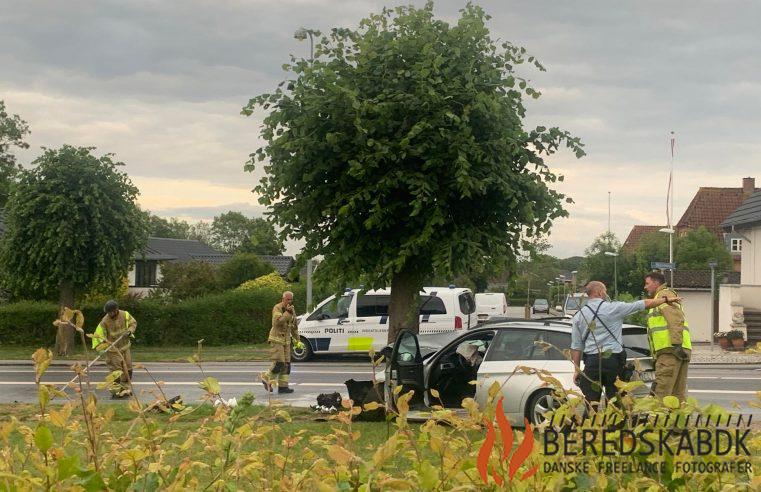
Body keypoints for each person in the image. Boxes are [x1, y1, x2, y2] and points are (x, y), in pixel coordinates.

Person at [571, 281, 680, 410]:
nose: (606, 293)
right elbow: (643, 304)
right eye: (605, 291)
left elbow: (576, 346)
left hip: (592, 363)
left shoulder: (579, 316)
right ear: (600, 292)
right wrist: (665, 300)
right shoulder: (614, 308)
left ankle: (592, 427)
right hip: (613, 361)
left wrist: (577, 369)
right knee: (616, 402)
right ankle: (615, 426)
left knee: (591, 403)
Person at [643, 271, 691, 402]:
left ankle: (660, 422)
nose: (645, 287)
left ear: (656, 283)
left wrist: (676, 344)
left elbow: (675, 318)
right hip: (677, 350)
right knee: (677, 395)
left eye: (647, 283)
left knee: (661, 394)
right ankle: (676, 422)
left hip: (670, 350)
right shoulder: (663, 297)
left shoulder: (663, 296)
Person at [261, 291, 303, 394]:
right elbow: (278, 322)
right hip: (276, 339)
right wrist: (288, 313)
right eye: (287, 299)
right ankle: (266, 378)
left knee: (287, 365)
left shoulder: (291, 310)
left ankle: (283, 387)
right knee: (279, 363)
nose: (289, 301)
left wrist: (298, 341)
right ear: (283, 299)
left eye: (291, 299)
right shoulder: (277, 308)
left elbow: (294, 327)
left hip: (286, 342)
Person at [92, 300, 136, 398]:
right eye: (108, 312)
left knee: (128, 369)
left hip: (125, 348)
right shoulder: (104, 322)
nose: (109, 314)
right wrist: (100, 349)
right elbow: (97, 336)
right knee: (116, 372)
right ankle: (115, 392)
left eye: (111, 312)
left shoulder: (125, 315)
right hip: (113, 351)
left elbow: (133, 323)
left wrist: (129, 331)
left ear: (116, 310)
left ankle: (125, 390)